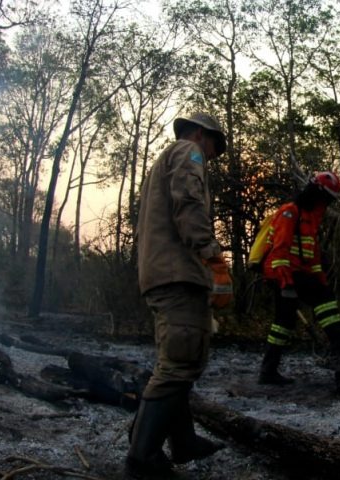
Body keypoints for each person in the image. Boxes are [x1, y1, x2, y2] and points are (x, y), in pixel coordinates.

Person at [127, 113, 230, 478]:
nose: (212, 157)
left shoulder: (165, 159)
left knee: (181, 361)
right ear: (203, 135)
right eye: (214, 147)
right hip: (178, 274)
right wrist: (214, 258)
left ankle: (182, 440)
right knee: (178, 364)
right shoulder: (189, 150)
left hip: (165, 273)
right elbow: (188, 203)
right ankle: (142, 457)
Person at [257, 171, 340, 385]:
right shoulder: (290, 213)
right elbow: (280, 250)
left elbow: (311, 256)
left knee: (285, 321)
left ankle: (268, 371)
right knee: (315, 304)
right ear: (317, 193)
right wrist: (286, 281)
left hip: (297, 273)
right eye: (327, 198)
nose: (328, 204)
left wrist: (319, 277)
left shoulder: (310, 218)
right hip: (282, 273)